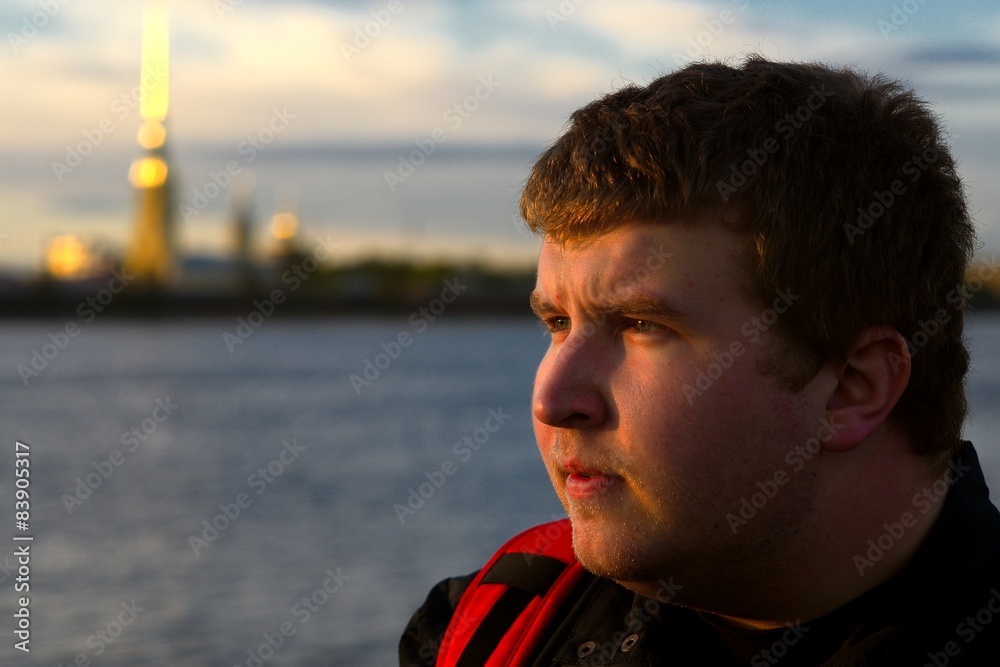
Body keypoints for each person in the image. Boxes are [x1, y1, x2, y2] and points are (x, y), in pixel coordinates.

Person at [400, 55, 1000, 666]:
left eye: (641, 326)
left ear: (853, 386)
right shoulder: (493, 625)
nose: (552, 399)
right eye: (558, 323)